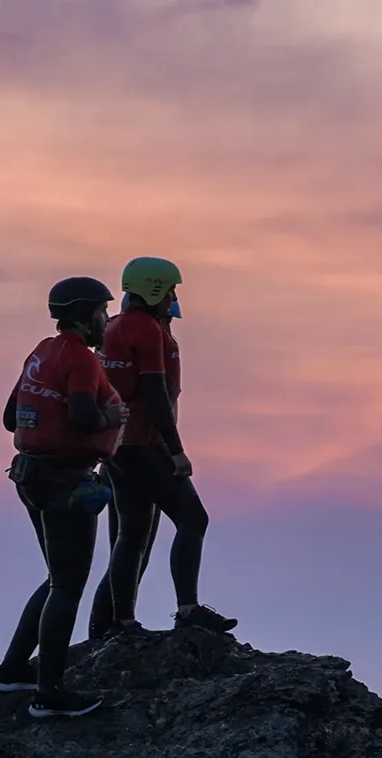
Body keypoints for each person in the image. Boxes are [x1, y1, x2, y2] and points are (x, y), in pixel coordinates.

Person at [0, 276, 129, 717]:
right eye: (103, 313)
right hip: (65, 481)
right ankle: (49, 694)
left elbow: (11, 417)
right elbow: (86, 417)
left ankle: (11, 672)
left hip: (29, 476)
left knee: (56, 578)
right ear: (87, 316)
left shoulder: (41, 352)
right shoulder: (82, 360)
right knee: (68, 584)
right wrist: (112, 414)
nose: (106, 321)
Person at [87, 256, 237, 639]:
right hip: (144, 444)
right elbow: (154, 392)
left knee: (131, 532)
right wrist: (176, 450)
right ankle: (187, 609)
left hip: (116, 448)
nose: (172, 298)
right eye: (170, 289)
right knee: (192, 518)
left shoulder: (114, 328)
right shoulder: (147, 331)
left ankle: (116, 623)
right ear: (154, 288)